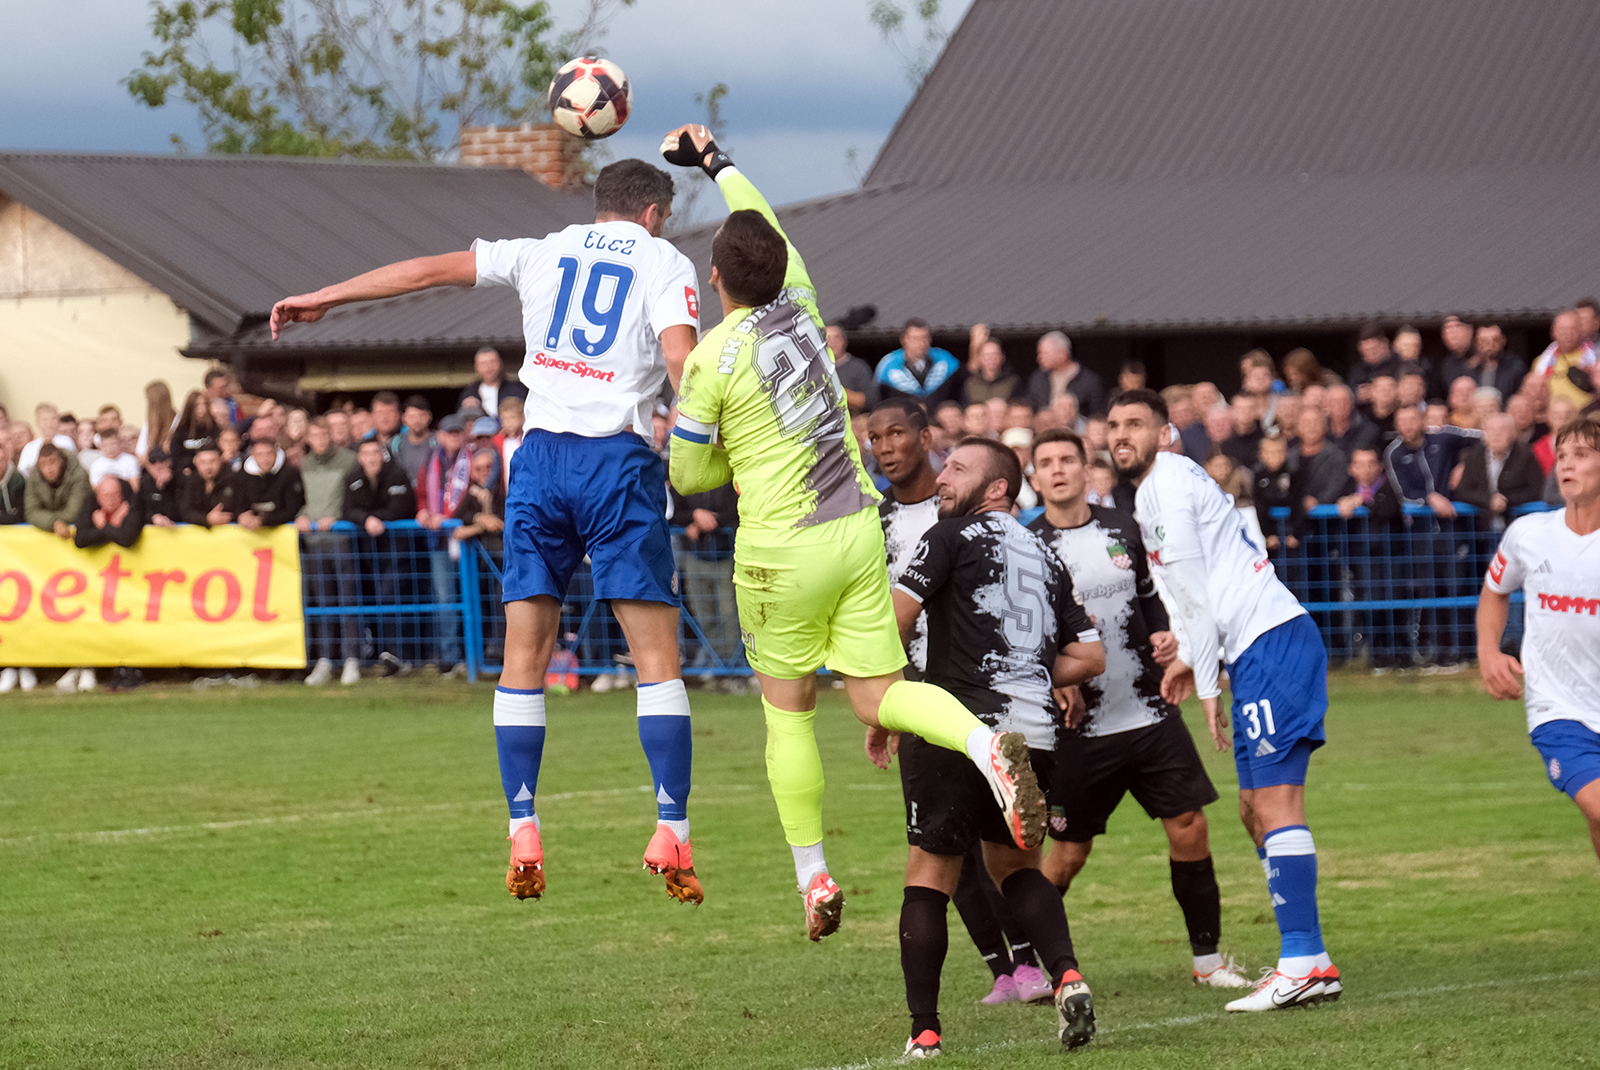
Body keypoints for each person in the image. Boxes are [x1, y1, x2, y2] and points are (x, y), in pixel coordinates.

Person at [271, 151, 706, 907]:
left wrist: (326, 297)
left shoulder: (541, 250)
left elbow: (425, 271)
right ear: (654, 213)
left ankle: (523, 823)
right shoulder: (666, 260)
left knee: (522, 656)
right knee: (654, 659)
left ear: (599, 202)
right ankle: (670, 825)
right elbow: (680, 360)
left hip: (536, 461)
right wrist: (709, 440)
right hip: (616, 463)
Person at [663, 124, 1048, 939]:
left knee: (788, 711)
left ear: (715, 278)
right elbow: (762, 221)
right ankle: (985, 747)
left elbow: (689, 478)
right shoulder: (802, 304)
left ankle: (814, 877)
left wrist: (721, 440)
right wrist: (717, 161)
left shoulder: (708, 356)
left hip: (780, 548)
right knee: (879, 694)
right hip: (854, 532)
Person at [1107, 389, 1341, 1012]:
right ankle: (1310, 956)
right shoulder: (1164, 483)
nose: (1120, 434)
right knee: (1251, 809)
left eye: (1135, 423)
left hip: (1269, 644)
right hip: (1255, 648)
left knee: (1275, 802)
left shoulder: (1166, 488)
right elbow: (1212, 580)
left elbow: (1199, 599)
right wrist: (1193, 654)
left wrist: (1206, 684)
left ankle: (1301, 960)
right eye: (1112, 425)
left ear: (1165, 434)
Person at [889, 437, 1106, 1056]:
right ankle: (1067, 975)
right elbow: (1091, 656)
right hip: (1032, 736)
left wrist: (890, 704)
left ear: (996, 489)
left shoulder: (948, 536)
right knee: (1014, 869)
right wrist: (1030, 674)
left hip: (958, 725)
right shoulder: (1046, 554)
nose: (941, 477)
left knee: (930, 872)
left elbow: (897, 619)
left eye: (957, 468)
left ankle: (924, 1030)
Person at [1027, 428, 1250, 991]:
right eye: (1046, 463)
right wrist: (1057, 677)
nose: (1057, 470)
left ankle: (1208, 962)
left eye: (1067, 460)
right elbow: (1025, 632)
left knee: (1190, 827)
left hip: (1151, 712)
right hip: (1079, 731)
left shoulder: (1122, 528)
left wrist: (1168, 639)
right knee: (1067, 855)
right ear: (1034, 479)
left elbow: (1154, 601)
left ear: (1085, 470)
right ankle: (1033, 967)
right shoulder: (1027, 546)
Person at [869, 397, 1052, 1005]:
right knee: (957, 848)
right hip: (925, 692)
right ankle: (1005, 967)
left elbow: (896, 614)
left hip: (970, 686)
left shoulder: (954, 519)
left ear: (928, 441)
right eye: (874, 437)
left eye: (897, 433)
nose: (885, 446)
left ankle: (1023, 963)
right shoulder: (873, 517)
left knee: (946, 850)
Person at [1478, 418, 1600, 860]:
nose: (1566, 465)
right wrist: (1489, 652)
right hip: (1559, 710)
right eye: (1562, 456)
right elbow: (1495, 591)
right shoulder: (1530, 534)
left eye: (1581, 455)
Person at [298, 417, 361, 687]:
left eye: (325, 434)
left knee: (348, 601)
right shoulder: (303, 464)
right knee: (322, 604)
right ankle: (325, 659)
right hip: (314, 543)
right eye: (316, 435)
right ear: (309, 438)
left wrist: (338, 516)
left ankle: (352, 659)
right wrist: (300, 516)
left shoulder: (349, 461)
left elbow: (355, 497)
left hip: (341, 539)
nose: (321, 440)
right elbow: (300, 500)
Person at [1335, 447, 1404, 672]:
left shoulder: (1389, 486)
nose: (1365, 469)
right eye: (1360, 464)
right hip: (1361, 558)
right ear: (1351, 468)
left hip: (1391, 556)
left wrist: (1363, 502)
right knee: (1370, 605)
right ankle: (1378, 655)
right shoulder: (1345, 488)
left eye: (1370, 464)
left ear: (1379, 467)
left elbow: (1389, 509)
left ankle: (1400, 655)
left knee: (1394, 602)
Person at [1455, 412, 1544, 528]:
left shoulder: (1526, 455)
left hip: (1517, 523)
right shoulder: (1474, 455)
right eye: (1491, 430)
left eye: (1502, 430)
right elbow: (1463, 491)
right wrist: (1489, 500)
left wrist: (1506, 500)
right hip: (1481, 529)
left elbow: (1536, 490)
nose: (1496, 434)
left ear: (1513, 433)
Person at [877, 319, 963, 409]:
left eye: (925, 337)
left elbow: (961, 390)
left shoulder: (946, 360)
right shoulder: (888, 364)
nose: (921, 343)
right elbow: (879, 397)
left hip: (940, 418)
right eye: (915, 338)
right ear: (904, 340)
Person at [1530, 309, 1598, 410]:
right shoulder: (1541, 362)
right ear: (1553, 333)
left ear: (1581, 331)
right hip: (1553, 418)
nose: (1568, 334)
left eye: (1573, 329)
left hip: (1586, 419)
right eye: (1562, 329)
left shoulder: (1595, 359)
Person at [1028, 331, 1106, 418]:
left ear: (1063, 354)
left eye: (1045, 353)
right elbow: (1032, 407)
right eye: (1039, 353)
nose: (1039, 358)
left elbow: (1098, 413)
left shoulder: (1089, 380)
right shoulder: (1037, 379)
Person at [234, 437, 305, 530]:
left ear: (276, 454)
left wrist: (263, 521)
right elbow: (238, 504)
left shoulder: (290, 473)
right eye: (260, 454)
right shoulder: (242, 475)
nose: (265, 459)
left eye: (269, 453)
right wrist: (242, 516)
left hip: (284, 532)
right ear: (253, 456)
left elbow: (293, 509)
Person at [24, 443, 91, 540]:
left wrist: (47, 519)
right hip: (50, 532)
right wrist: (53, 523)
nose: (49, 469)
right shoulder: (34, 478)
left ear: (61, 460)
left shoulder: (79, 475)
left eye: (52, 462)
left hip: (78, 530)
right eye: (43, 464)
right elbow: (31, 511)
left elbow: (74, 512)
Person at [179, 441, 237, 527]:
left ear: (221, 461)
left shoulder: (233, 480)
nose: (208, 466)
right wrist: (206, 519)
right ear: (196, 462)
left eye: (213, 461)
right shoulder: (191, 481)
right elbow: (185, 511)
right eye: (203, 462)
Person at [457, 347, 530, 415]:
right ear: (476, 367)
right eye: (483, 364)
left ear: (500, 364)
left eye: (492, 362)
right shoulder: (469, 393)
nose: (489, 367)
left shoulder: (517, 389)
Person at [827, 323, 880, 415]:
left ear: (844, 341)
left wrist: (838, 392)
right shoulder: (811, 368)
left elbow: (870, 400)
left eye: (836, 337)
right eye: (827, 338)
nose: (832, 342)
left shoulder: (859, 367)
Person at [963, 339, 1021, 405]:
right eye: (987, 355)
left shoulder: (1013, 381)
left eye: (996, 354)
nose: (992, 358)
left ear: (1003, 357)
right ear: (980, 358)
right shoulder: (970, 382)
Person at [394, 396, 436, 483]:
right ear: (404, 418)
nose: (417, 420)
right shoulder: (396, 443)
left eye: (421, 416)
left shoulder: (438, 441)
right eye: (412, 416)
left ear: (429, 417)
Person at [137, 447, 180, 526]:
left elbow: (180, 510)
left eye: (163, 465)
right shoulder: (145, 483)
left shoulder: (178, 481)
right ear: (150, 468)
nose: (160, 471)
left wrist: (164, 487)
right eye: (157, 468)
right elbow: (140, 509)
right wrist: (153, 517)